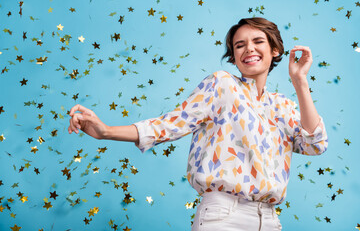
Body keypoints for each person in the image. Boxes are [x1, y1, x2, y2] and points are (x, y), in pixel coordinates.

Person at [68, 17, 328, 231]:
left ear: (275, 50)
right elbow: (171, 123)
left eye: (258, 41)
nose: (249, 49)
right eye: (239, 45)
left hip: (270, 220)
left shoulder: (283, 105)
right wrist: (106, 132)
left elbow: (315, 144)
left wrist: (300, 82)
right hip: (223, 217)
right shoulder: (222, 84)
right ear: (233, 55)